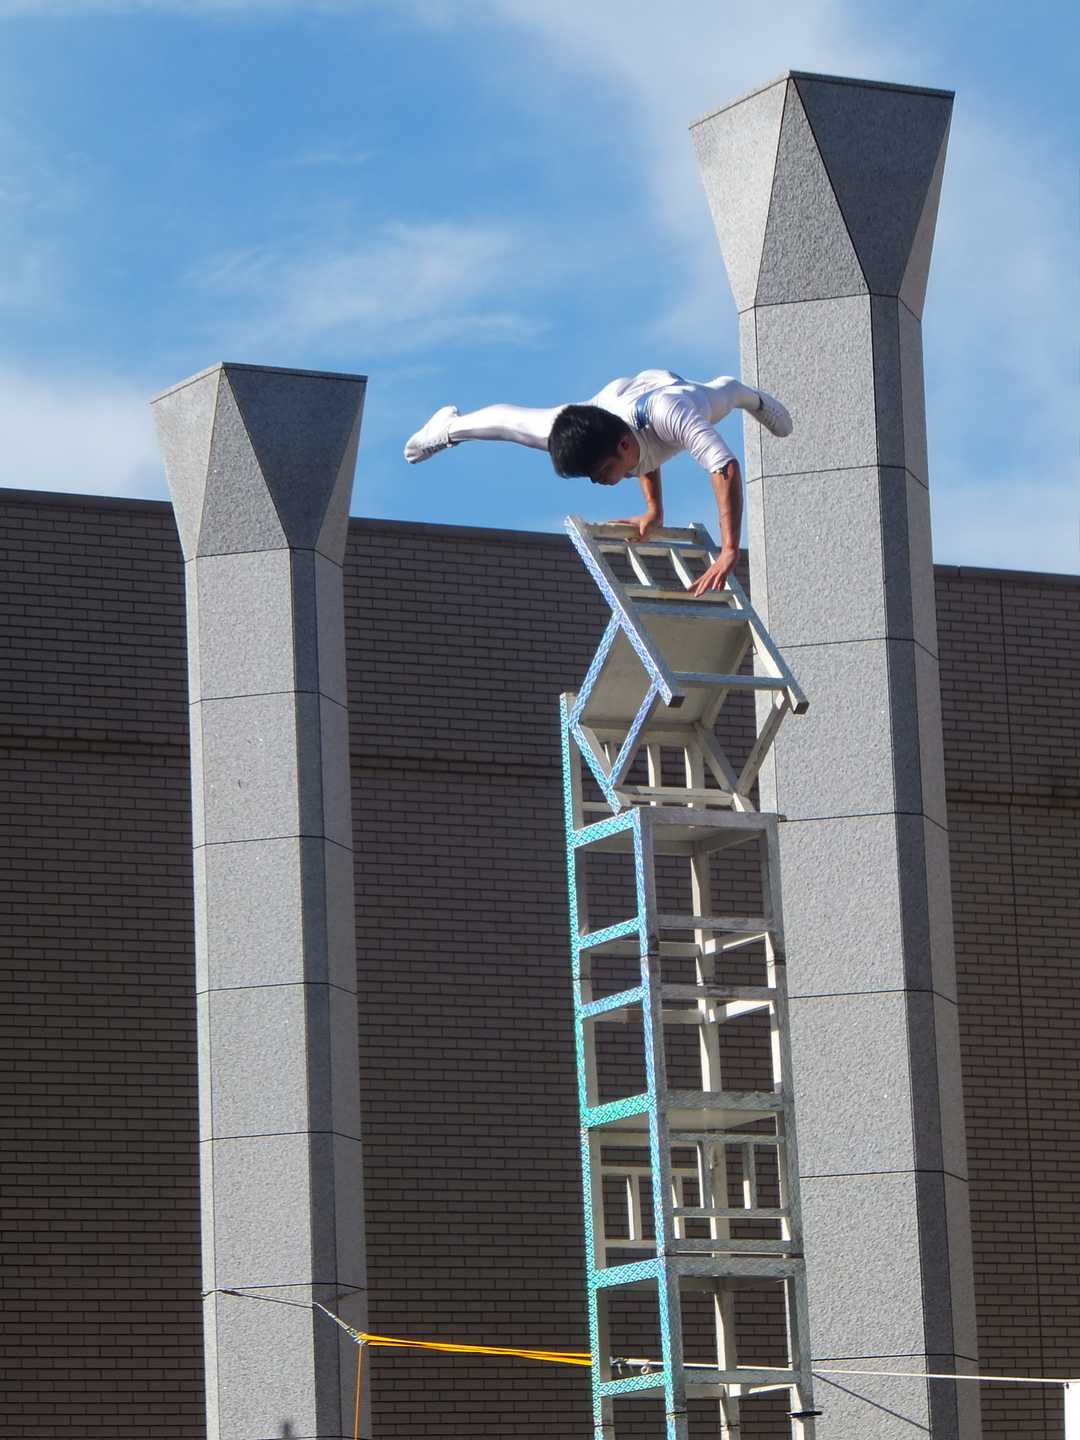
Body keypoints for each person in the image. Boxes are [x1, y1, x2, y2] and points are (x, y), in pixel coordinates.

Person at [403, 370, 792, 594]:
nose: (598, 482)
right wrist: (653, 511)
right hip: (607, 406)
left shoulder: (678, 412)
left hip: (670, 393)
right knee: (517, 428)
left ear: (622, 446)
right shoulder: (617, 444)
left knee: (728, 394)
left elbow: (724, 467)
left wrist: (728, 550)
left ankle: (751, 396)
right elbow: (640, 457)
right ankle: (447, 429)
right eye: (592, 476)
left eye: (601, 471)